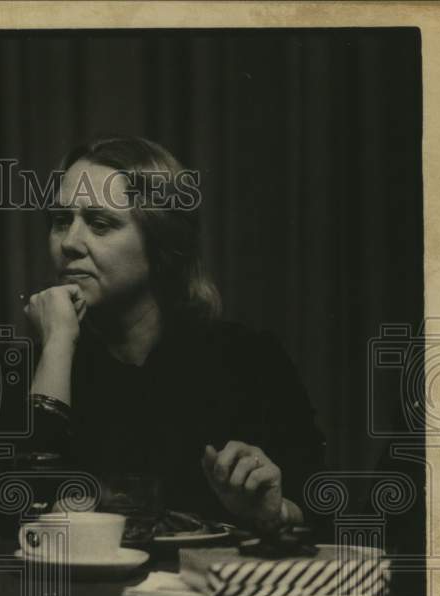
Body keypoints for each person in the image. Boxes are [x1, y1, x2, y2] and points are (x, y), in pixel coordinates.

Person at [24, 136, 326, 532]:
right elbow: (23, 513)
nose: (68, 243)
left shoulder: (248, 361)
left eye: (99, 224)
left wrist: (274, 511)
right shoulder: (41, 364)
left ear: (162, 240)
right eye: (61, 221)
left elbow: (321, 510)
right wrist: (59, 344)